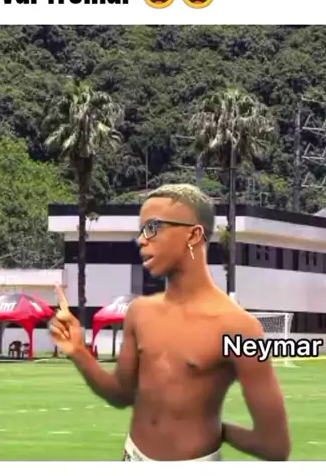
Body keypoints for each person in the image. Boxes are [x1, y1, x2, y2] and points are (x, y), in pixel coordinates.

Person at [50, 184, 291, 461]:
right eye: (141, 230)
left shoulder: (239, 327)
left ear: (194, 235)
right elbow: (120, 395)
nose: (142, 240)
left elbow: (275, 445)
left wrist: (218, 430)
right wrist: (78, 351)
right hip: (132, 458)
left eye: (153, 228)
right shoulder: (140, 312)